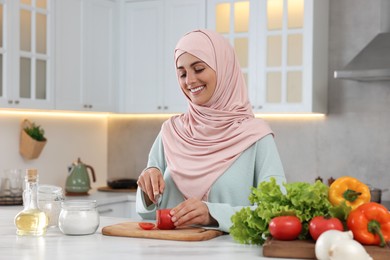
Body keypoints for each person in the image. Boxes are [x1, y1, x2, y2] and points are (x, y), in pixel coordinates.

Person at [136, 29, 286, 233]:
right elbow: (147, 212)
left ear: (224, 69)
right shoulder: (170, 132)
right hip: (168, 251)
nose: (189, 81)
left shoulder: (256, 137)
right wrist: (147, 186)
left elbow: (276, 212)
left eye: (198, 69)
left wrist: (213, 214)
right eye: (182, 73)